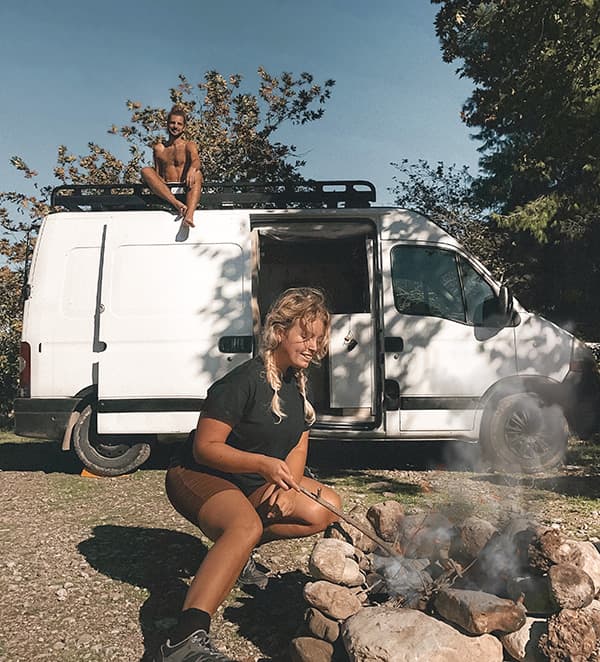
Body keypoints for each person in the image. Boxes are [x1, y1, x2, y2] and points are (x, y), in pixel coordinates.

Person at [159, 287, 341, 662]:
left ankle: (236, 555)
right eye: (304, 335)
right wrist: (262, 466)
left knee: (325, 508)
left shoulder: (295, 386)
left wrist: (289, 486)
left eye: (318, 338)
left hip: (250, 481)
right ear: (279, 331)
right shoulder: (242, 381)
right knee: (245, 527)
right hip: (199, 473)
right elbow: (205, 448)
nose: (312, 345)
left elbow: (297, 447)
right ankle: (182, 640)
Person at [141, 106, 203, 227]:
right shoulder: (159, 148)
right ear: (167, 125)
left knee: (197, 173)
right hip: (167, 192)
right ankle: (176, 204)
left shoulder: (189, 145)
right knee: (145, 170)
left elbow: (196, 160)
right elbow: (158, 173)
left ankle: (189, 215)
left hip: (185, 188)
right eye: (172, 123)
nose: (175, 126)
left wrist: (192, 169)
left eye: (179, 124)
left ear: (184, 127)